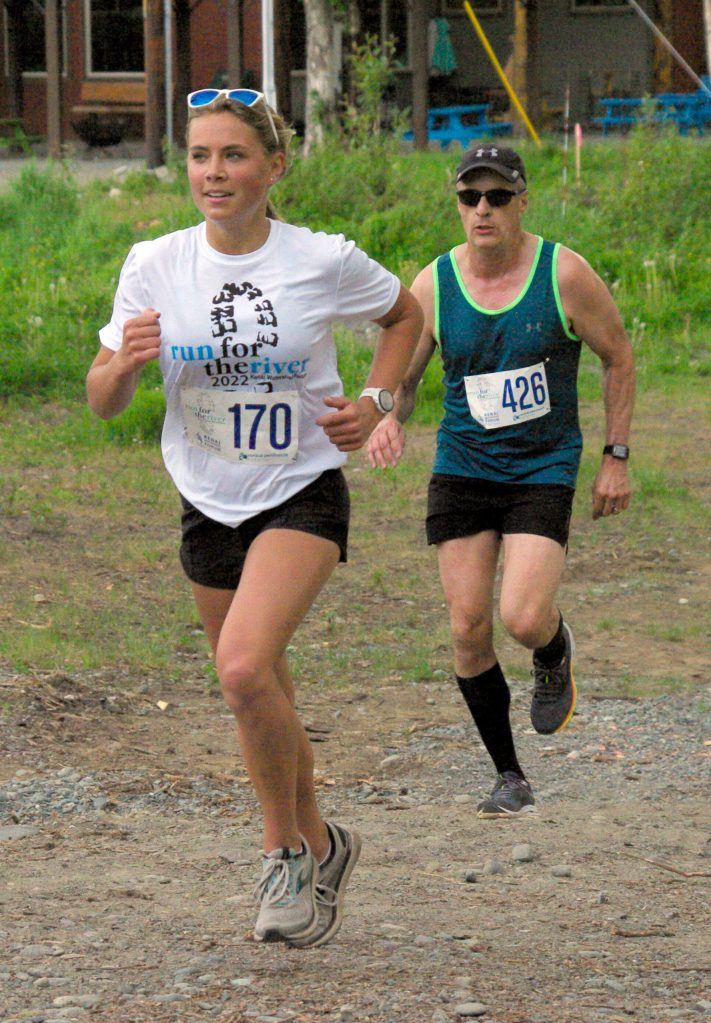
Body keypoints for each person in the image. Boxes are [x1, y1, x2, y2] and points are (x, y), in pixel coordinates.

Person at [86, 88, 422, 945]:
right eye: (200, 156)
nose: (213, 173)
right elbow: (101, 402)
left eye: (233, 155)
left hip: (300, 488)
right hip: (205, 496)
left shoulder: (322, 257)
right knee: (260, 688)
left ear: (274, 166)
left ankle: (284, 858)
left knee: (241, 671)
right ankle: (322, 838)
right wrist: (123, 362)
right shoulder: (154, 262)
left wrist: (379, 399)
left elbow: (403, 316)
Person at [368, 144, 634, 819]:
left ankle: (552, 646)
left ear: (522, 200)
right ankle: (508, 773)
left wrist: (615, 455)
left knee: (520, 615)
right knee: (466, 626)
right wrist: (387, 418)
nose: (481, 210)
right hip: (463, 465)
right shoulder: (432, 284)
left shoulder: (562, 274)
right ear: (457, 205)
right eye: (469, 198)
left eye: (495, 197)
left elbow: (617, 354)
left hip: (540, 467)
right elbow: (402, 377)